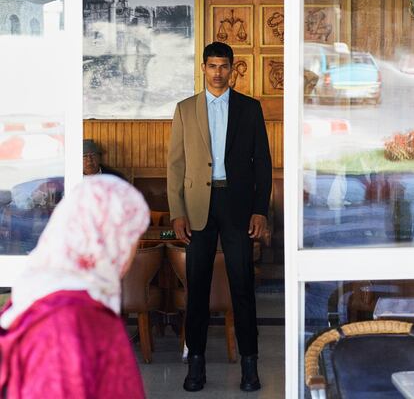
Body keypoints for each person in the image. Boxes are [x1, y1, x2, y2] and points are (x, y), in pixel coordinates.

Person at [167, 41, 272, 392]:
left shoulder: (250, 109)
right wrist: (176, 213)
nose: (218, 72)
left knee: (243, 286)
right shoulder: (184, 109)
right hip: (198, 208)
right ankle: (195, 365)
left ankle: (249, 365)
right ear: (203, 68)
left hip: (238, 206)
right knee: (197, 288)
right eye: (211, 66)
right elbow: (176, 166)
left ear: (233, 68)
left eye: (223, 66)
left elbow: (263, 165)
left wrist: (260, 209)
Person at [0, 175, 150, 398]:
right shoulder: (67, 320)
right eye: (130, 237)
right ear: (106, 238)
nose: (131, 251)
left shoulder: (50, 296)